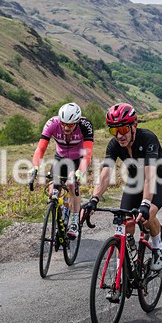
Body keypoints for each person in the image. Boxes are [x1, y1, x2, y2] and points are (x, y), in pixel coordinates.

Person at [83, 103, 162, 271]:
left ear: (134, 126)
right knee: (126, 223)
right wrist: (94, 199)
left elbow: (150, 177)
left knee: (147, 217)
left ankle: (158, 248)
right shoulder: (114, 145)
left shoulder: (148, 139)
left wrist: (145, 204)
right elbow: (105, 175)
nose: (119, 135)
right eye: (114, 130)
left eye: (123, 130)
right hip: (136, 179)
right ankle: (121, 271)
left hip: (160, 178)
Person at [29, 102, 94, 238]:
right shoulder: (52, 123)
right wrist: (35, 166)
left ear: (76, 122)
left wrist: (79, 172)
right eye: (63, 123)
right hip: (60, 158)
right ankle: (60, 211)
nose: (66, 127)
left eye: (70, 125)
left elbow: (88, 154)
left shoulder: (85, 125)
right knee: (52, 190)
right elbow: (40, 149)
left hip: (79, 159)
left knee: (71, 184)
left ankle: (75, 220)